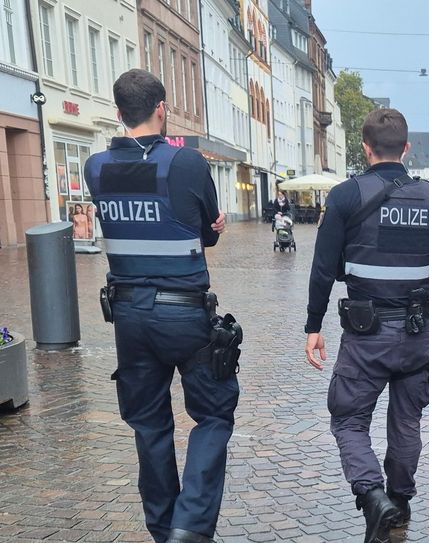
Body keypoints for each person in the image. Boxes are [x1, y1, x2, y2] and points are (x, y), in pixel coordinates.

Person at [304, 108, 429, 543]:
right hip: (417, 333)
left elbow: (323, 269)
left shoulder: (345, 196)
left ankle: (372, 496)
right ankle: (398, 503)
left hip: (366, 336)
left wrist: (313, 325)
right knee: (406, 422)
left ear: (365, 149)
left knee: (348, 420)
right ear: (407, 148)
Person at [84, 69, 238, 543]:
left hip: (129, 316)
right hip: (184, 313)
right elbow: (206, 232)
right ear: (161, 108)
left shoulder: (95, 167)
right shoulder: (186, 162)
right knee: (214, 414)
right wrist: (213, 228)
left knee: (148, 423)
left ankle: (163, 526)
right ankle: (189, 525)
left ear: (118, 113)